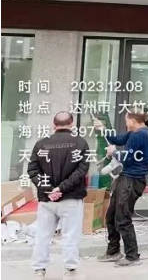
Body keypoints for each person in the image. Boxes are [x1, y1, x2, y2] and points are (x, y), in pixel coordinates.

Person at [27, 111, 89, 279]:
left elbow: (32, 171)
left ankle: (39, 270)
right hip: (71, 198)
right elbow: (81, 171)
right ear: (72, 124)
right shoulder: (80, 143)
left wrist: (49, 189)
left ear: (53, 125)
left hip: (47, 200)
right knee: (70, 236)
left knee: (43, 235)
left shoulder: (41, 144)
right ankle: (70, 270)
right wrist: (61, 189)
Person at [93, 110, 148, 267]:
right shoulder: (134, 132)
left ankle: (132, 256)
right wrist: (103, 129)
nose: (126, 123)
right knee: (111, 215)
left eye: (127, 120)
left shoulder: (140, 135)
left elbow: (129, 158)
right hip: (126, 178)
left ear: (133, 120)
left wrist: (113, 152)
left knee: (122, 217)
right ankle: (113, 251)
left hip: (133, 180)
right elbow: (118, 139)